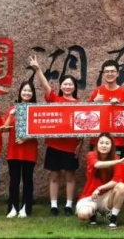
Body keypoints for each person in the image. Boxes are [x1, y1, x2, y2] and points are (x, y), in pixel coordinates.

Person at [30, 55, 83, 216]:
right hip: (54, 145)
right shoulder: (54, 99)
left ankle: (68, 205)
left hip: (71, 146)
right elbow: (45, 86)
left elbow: (83, 127)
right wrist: (38, 70)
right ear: (61, 86)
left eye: (70, 84)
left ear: (74, 87)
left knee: (70, 176)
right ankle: (53, 205)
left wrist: (80, 145)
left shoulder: (80, 104)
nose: (67, 86)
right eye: (65, 84)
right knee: (54, 175)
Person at [76, 133, 124, 228]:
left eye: (107, 143)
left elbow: (116, 180)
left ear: (111, 146)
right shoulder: (91, 155)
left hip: (106, 197)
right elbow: (98, 165)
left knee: (121, 186)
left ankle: (113, 218)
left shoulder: (115, 158)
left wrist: (99, 188)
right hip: (90, 196)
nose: (104, 145)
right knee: (83, 215)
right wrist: (118, 161)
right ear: (97, 144)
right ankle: (94, 213)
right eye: (101, 143)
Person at [4, 81, 38, 218]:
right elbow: (4, 129)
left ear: (33, 94)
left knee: (28, 180)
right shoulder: (12, 109)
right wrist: (11, 116)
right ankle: (13, 207)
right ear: (20, 92)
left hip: (29, 150)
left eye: (29, 91)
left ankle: (25, 208)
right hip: (14, 151)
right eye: (24, 90)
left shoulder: (35, 109)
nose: (26, 93)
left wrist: (26, 138)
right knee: (14, 180)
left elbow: (40, 130)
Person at [88, 60, 124, 156]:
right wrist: (94, 102)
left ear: (117, 73)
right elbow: (87, 116)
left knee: (116, 165)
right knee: (97, 165)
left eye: (112, 71)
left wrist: (119, 106)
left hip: (117, 141)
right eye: (107, 71)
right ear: (103, 74)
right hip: (97, 140)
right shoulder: (97, 91)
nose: (110, 74)